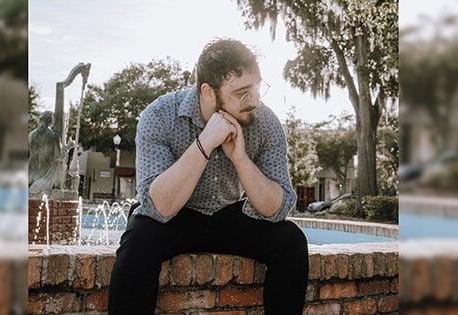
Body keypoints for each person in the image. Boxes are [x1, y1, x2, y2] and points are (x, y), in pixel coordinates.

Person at [108, 38, 308, 315]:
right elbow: (158, 207)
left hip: (228, 215)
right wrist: (204, 143)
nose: (254, 100)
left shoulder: (266, 123)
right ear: (208, 92)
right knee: (138, 240)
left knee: (291, 241)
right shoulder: (159, 115)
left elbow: (278, 209)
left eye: (257, 88)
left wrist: (240, 159)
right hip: (175, 215)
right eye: (242, 92)